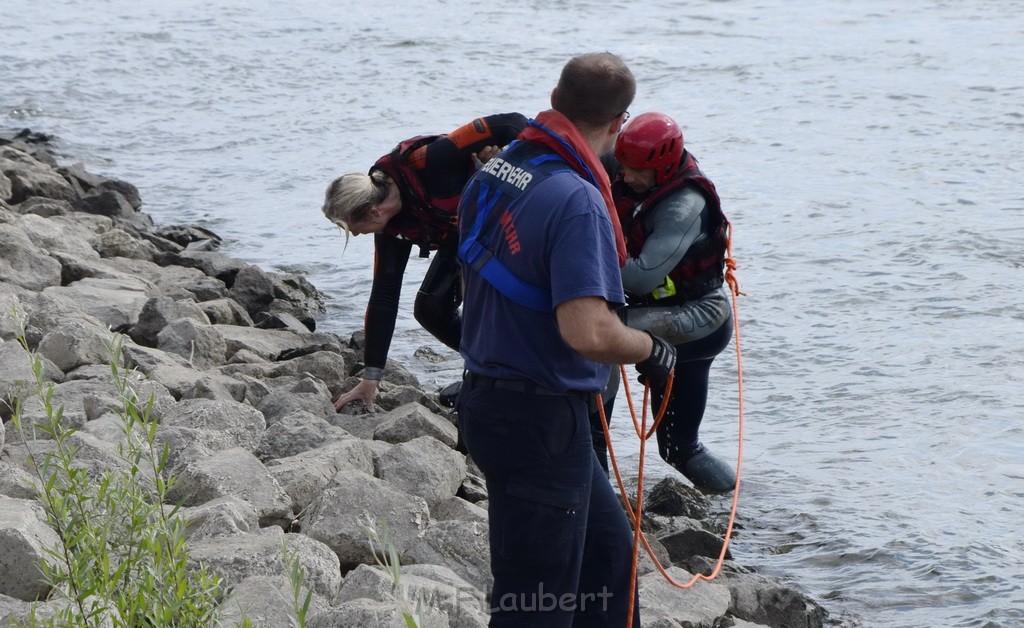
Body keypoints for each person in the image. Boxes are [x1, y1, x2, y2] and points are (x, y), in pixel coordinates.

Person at [456, 52, 675, 627]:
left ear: (555, 97)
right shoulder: (577, 199)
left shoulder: (498, 169)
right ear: (620, 121)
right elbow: (588, 332)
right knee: (536, 603)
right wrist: (652, 350)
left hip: (493, 402)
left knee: (609, 557)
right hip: (537, 418)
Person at [322, 112, 527, 411]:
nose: (353, 234)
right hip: (463, 234)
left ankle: (509, 376)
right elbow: (383, 297)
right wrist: (371, 379)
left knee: (485, 305)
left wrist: (511, 153)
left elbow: (512, 122)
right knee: (431, 309)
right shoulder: (392, 229)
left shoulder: (430, 161)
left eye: (351, 227)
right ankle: (495, 372)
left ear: (373, 213)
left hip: (507, 222)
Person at [592, 111, 736, 494]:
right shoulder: (625, 166)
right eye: (623, 165)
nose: (626, 176)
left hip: (697, 320)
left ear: (666, 167)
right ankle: (594, 474)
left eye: (638, 171)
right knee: (675, 450)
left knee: (678, 447)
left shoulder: (683, 206)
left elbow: (639, 276)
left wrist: (570, 250)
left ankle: (738, 506)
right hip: (652, 313)